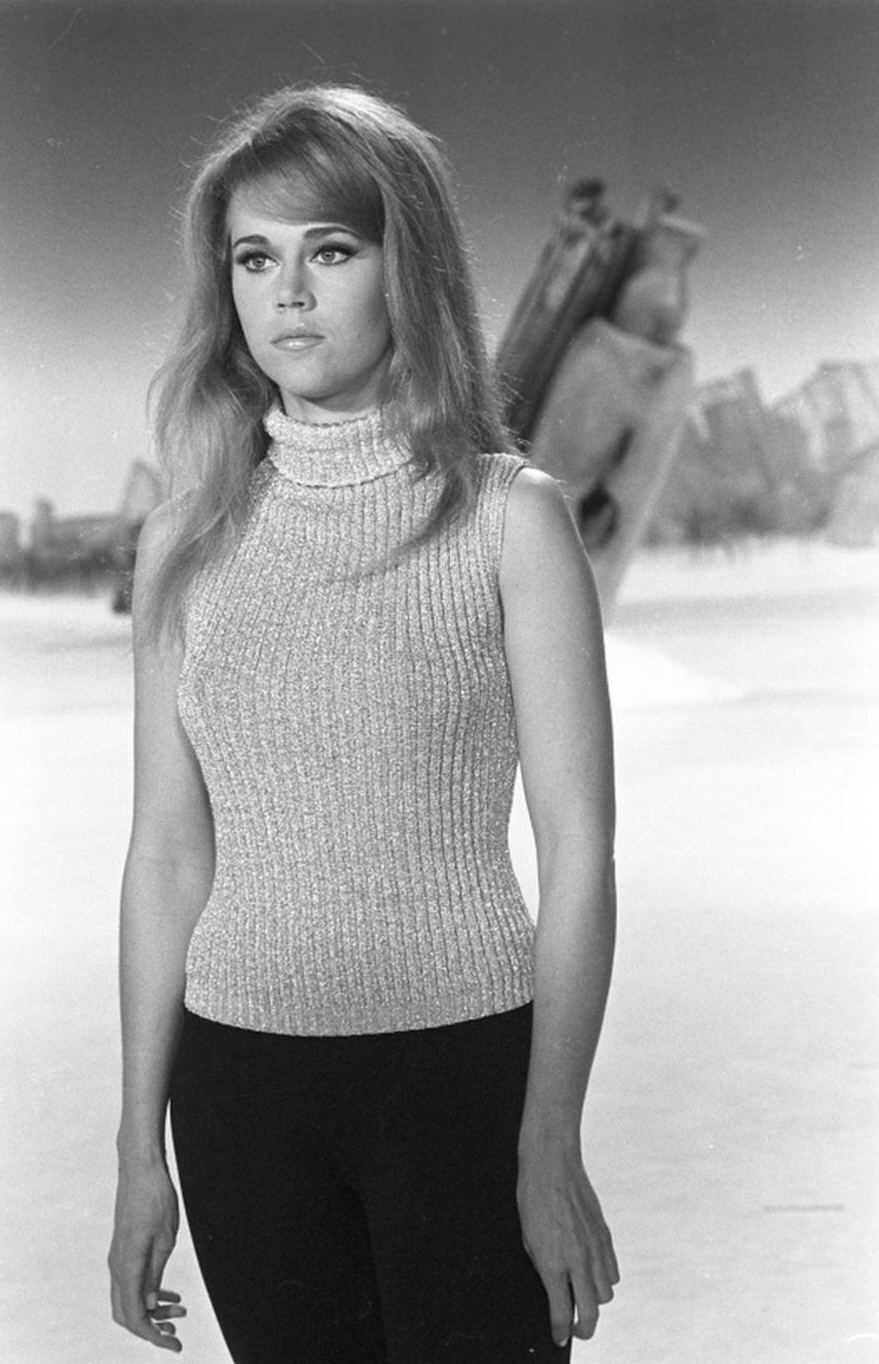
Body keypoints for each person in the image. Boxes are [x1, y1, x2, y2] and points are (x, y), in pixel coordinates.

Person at [108, 83, 619, 1364]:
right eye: (255, 258)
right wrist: (136, 1151)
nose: (288, 293)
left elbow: (580, 851)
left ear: (408, 267)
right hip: (239, 1100)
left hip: (465, 1083)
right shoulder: (183, 541)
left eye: (330, 250)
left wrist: (550, 1140)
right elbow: (166, 853)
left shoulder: (511, 519)